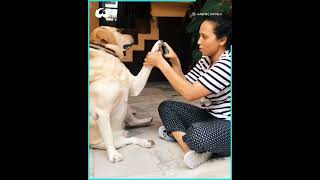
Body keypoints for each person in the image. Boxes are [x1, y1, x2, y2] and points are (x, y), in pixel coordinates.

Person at [144, 14, 232, 169]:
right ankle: (195, 150)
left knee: (197, 134)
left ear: (222, 40)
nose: (199, 42)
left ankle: (190, 140)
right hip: (210, 117)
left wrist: (161, 64)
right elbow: (186, 84)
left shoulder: (227, 64)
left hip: (227, 125)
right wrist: (175, 61)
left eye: (204, 37)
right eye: (199, 36)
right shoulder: (207, 59)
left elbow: (189, 94)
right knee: (167, 107)